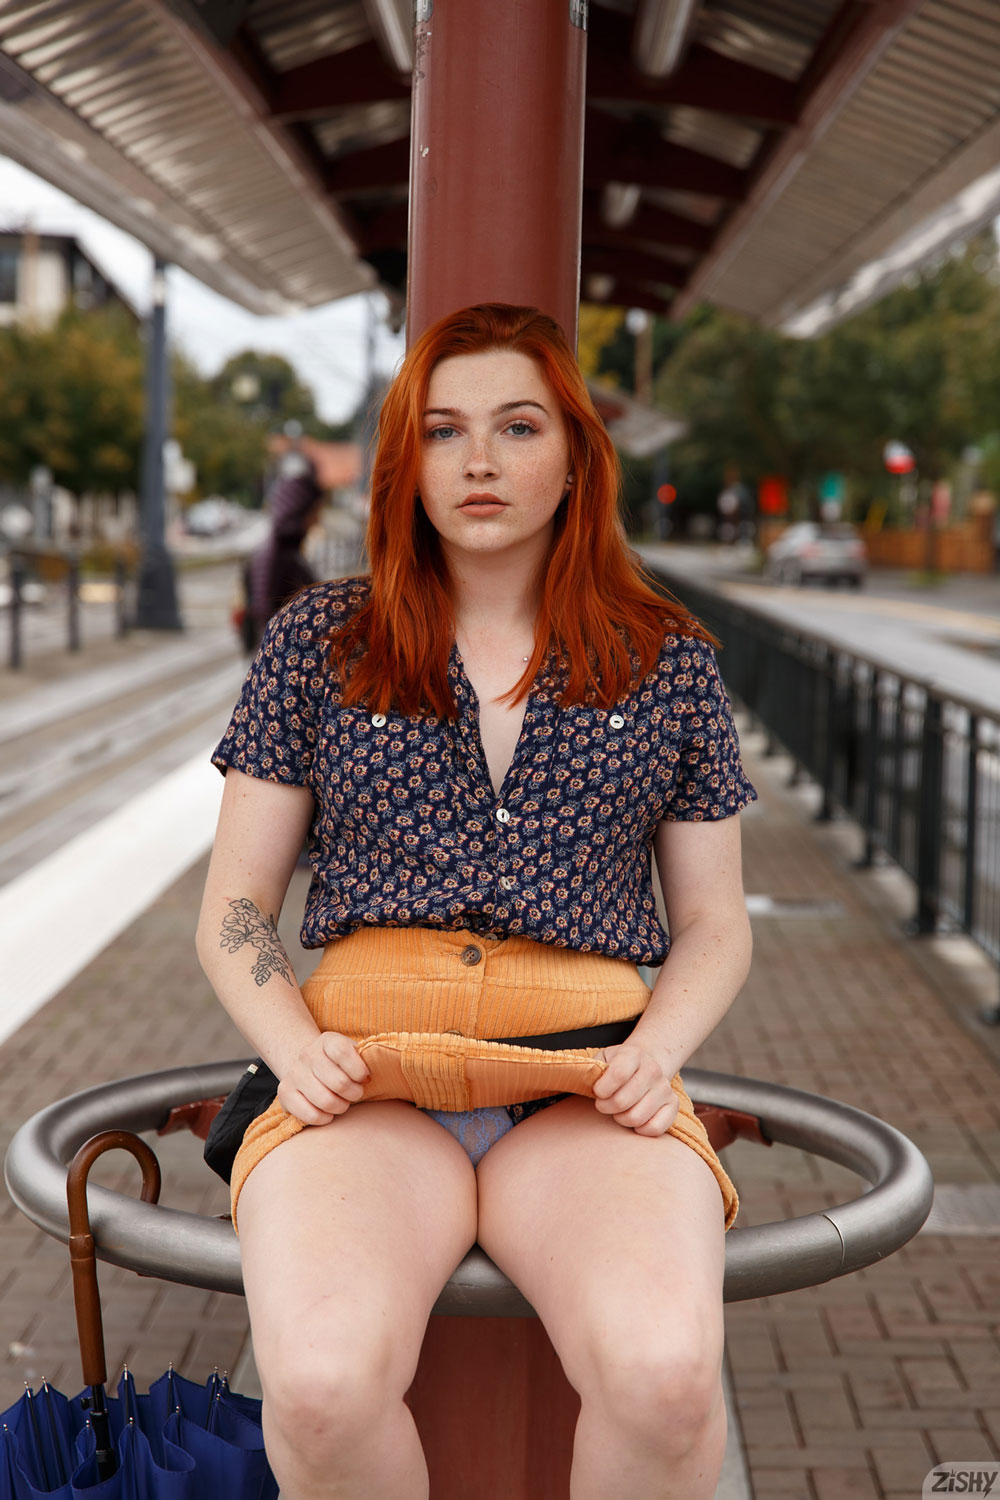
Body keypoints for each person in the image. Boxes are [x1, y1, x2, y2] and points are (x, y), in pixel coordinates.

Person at [197, 302, 756, 1500]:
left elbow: (714, 921)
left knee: (664, 1376)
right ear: (406, 463)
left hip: (586, 1079)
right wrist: (291, 1052)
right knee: (319, 1383)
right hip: (365, 1071)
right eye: (444, 432)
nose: (481, 462)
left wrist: (662, 1052)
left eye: (517, 426)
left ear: (574, 454)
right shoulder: (320, 642)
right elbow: (235, 906)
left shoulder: (669, 659)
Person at [239, 447, 323, 653]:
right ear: (302, 511)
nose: (318, 519)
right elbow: (264, 611)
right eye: (315, 511)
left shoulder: (280, 549)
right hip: (282, 662)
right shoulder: (278, 554)